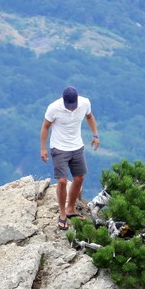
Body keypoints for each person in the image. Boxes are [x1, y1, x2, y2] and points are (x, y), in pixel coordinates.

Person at [40, 86, 100, 230]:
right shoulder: (54, 108)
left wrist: (95, 135)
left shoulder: (84, 103)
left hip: (77, 146)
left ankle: (70, 209)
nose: (72, 108)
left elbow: (89, 116)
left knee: (79, 178)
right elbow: (45, 127)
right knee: (61, 181)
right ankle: (62, 214)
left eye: (73, 105)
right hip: (59, 147)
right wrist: (43, 148)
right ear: (63, 100)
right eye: (69, 105)